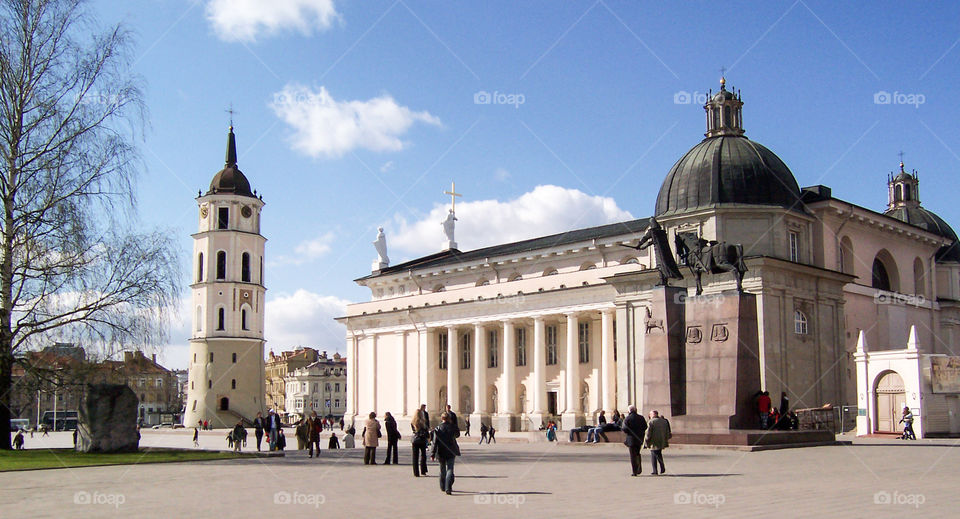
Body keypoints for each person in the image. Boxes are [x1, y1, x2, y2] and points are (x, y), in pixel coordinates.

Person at [431, 412, 461, 495]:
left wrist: (432, 454)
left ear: (442, 418)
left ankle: (442, 486)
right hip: (451, 451)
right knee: (450, 469)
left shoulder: (437, 428)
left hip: (440, 452)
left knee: (442, 470)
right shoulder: (453, 427)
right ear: (449, 418)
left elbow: (434, 442)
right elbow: (457, 435)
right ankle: (448, 487)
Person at [621, 405, 648, 476]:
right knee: (637, 453)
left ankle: (635, 471)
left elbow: (624, 428)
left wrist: (630, 432)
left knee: (632, 455)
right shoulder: (641, 418)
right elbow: (645, 427)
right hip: (639, 438)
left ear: (629, 411)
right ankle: (639, 467)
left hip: (631, 439)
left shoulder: (627, 418)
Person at [644, 410, 671, 475]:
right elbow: (668, 431)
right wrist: (666, 439)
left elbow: (648, 433)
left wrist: (646, 440)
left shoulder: (651, 422)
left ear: (651, 415)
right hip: (661, 440)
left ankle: (655, 470)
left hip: (653, 441)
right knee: (659, 454)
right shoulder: (664, 421)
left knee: (653, 455)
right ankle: (662, 467)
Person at [411, 408, 430, 477]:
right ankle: (423, 470)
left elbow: (414, 431)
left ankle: (416, 472)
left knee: (415, 457)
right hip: (422, 440)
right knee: (423, 455)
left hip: (415, 440)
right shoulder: (423, 422)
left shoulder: (413, 422)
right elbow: (426, 431)